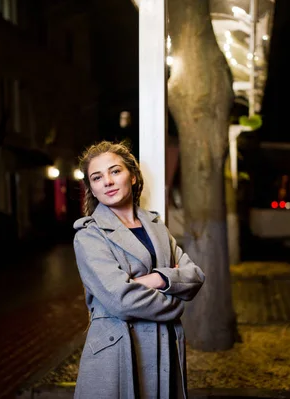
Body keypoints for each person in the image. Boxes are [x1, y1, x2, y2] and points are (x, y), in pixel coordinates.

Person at [72, 140, 205, 399]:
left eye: (115, 171)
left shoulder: (156, 225)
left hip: (164, 344)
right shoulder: (90, 235)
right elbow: (120, 300)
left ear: (132, 177)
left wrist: (154, 279)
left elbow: (194, 275)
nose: (107, 181)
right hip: (118, 350)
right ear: (93, 189)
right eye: (97, 177)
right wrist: (175, 301)